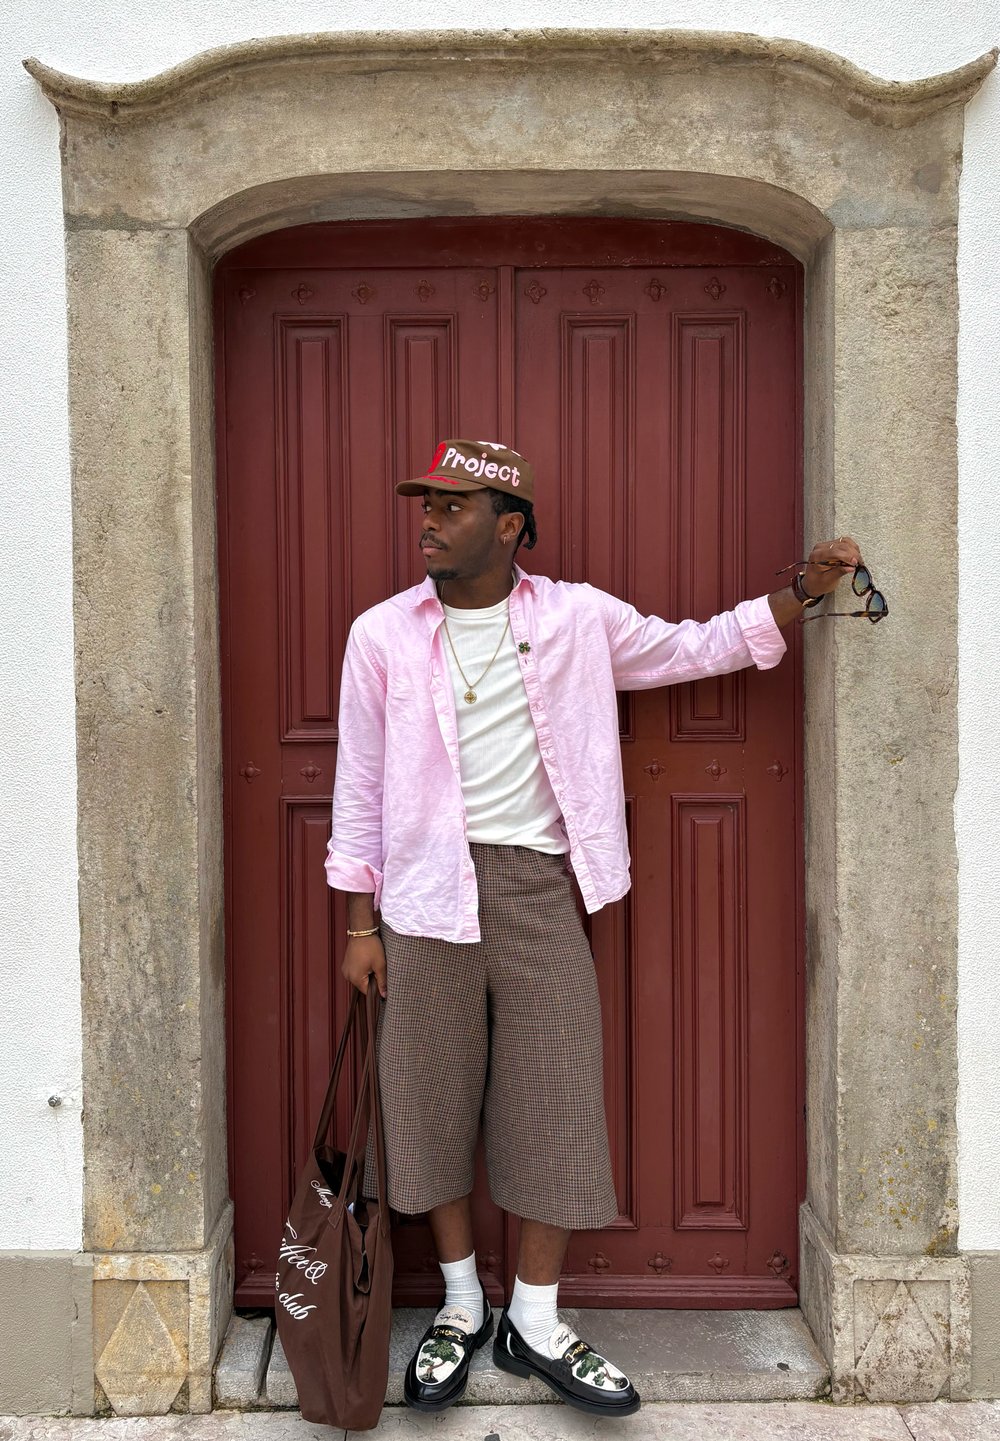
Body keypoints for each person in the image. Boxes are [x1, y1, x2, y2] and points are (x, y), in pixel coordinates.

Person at [325, 439, 860, 1417]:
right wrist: (360, 922)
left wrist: (801, 594)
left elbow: (692, 646)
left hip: (536, 888)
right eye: (426, 504)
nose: (429, 520)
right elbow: (357, 782)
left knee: (556, 1100)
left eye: (453, 504)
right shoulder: (383, 634)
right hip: (422, 896)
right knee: (428, 1102)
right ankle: (460, 1305)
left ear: (509, 525)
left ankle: (534, 1320)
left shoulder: (576, 618)